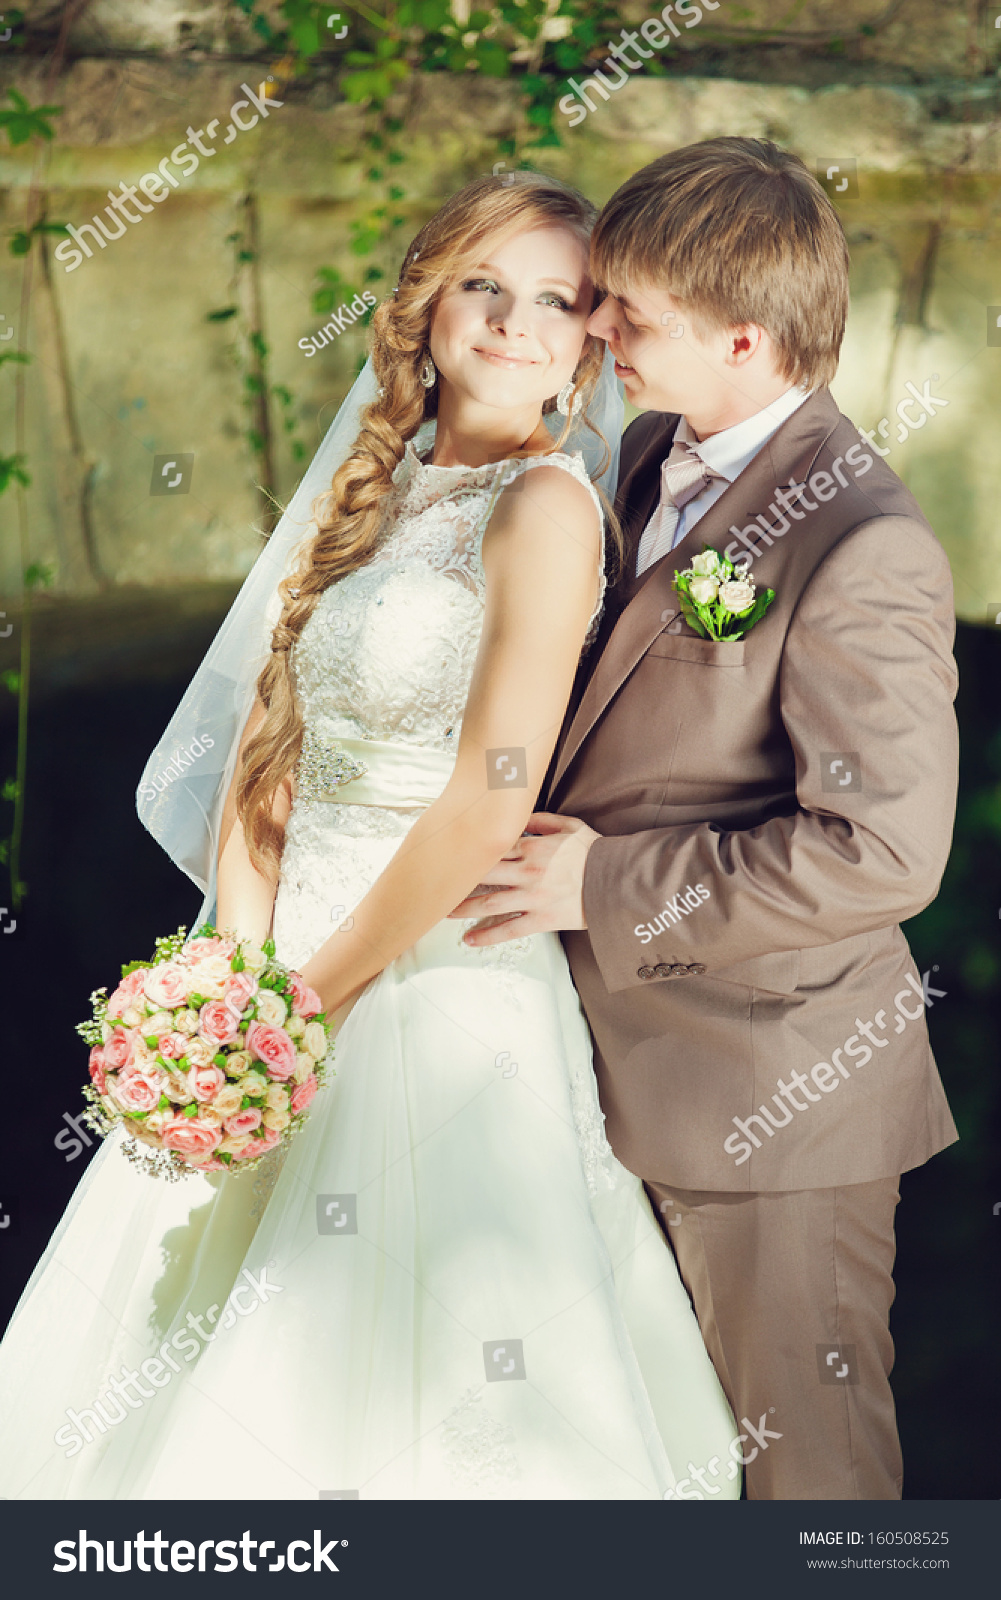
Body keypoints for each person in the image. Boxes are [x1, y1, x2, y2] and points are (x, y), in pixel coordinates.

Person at [0, 172, 737, 1501]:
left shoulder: (546, 508)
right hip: (276, 980)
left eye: (556, 301)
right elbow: (263, 761)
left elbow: (488, 798)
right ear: (426, 302)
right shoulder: (374, 488)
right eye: (484, 287)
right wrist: (231, 979)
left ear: (588, 340)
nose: (515, 324)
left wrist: (306, 1006)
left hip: (434, 991)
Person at [453, 139, 960, 1500]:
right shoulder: (637, 456)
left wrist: (603, 887)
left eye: (629, 314)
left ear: (744, 339)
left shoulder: (864, 545)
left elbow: (881, 852)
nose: (594, 329)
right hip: (590, 1068)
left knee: (807, 1481)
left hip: (767, 1101)